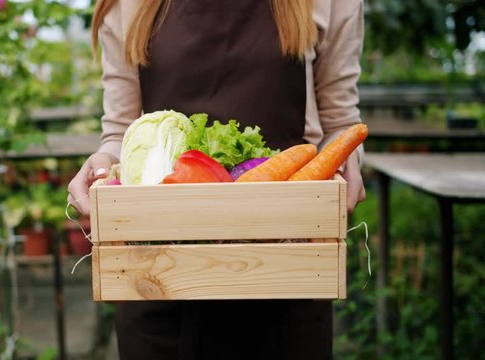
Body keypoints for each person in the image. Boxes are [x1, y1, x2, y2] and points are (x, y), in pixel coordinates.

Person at [68, 0, 366, 358]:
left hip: (284, 267)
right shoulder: (126, 5)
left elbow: (338, 120)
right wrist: (102, 164)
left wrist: (345, 159)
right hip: (159, 275)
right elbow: (119, 128)